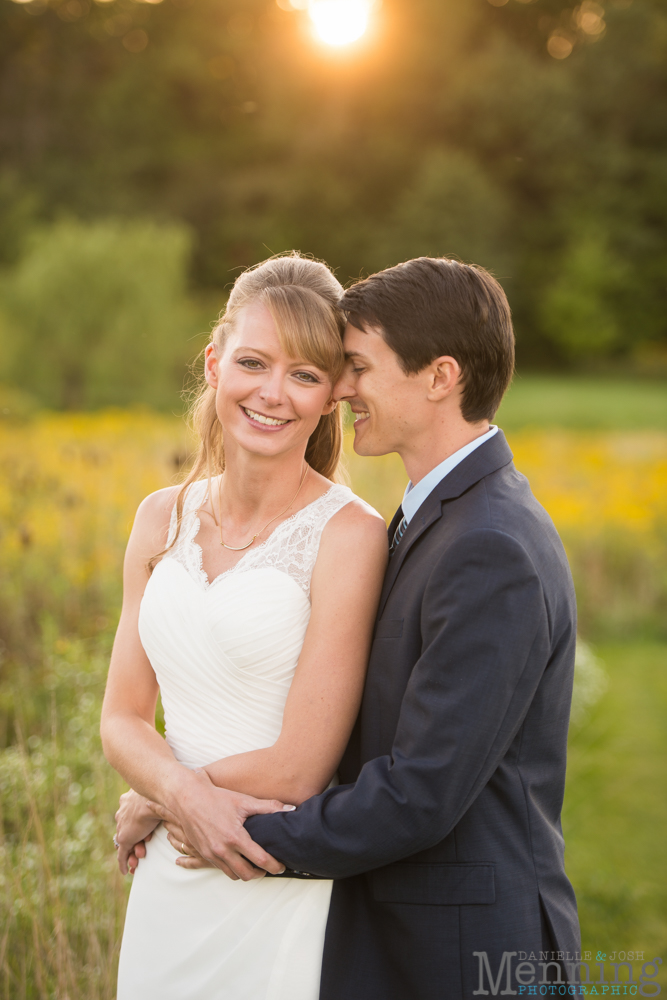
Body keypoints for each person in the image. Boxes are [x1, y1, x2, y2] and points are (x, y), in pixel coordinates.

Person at [160, 257, 581, 1000]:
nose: (343, 388)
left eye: (358, 367)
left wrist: (216, 824)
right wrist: (178, 790)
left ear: (439, 376)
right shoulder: (441, 515)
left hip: (467, 954)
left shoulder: (491, 545)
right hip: (407, 938)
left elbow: (419, 791)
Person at [100, 253, 388, 1000]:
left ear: (332, 394)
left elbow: (298, 765)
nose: (272, 394)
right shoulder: (159, 516)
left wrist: (163, 796)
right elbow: (121, 717)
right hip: (170, 871)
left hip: (269, 871)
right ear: (214, 362)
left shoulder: (349, 535)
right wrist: (173, 794)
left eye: (304, 374)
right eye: (253, 363)